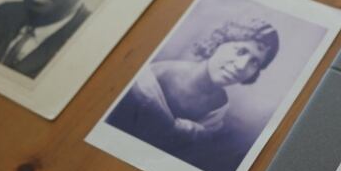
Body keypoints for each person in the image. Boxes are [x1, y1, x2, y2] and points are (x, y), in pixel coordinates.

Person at [106, 17, 279, 151]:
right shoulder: (156, 76)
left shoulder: (219, 107)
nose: (241, 66)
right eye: (241, 51)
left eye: (255, 62)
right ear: (220, 42)